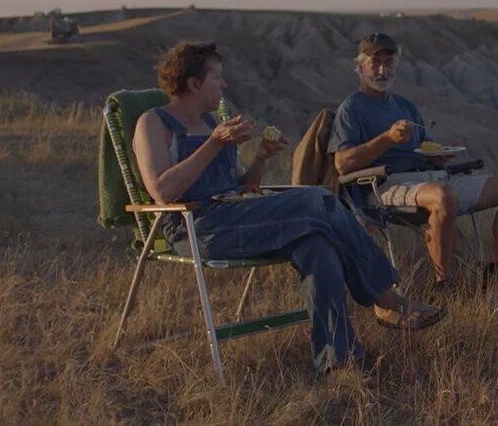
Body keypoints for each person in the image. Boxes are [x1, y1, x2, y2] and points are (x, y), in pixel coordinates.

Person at [132, 40, 444, 375]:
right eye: (217, 77)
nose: (224, 85)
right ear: (194, 84)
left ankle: (338, 363)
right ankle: (386, 298)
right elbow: (162, 191)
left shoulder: (211, 124)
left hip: (237, 217)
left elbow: (242, 187)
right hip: (198, 228)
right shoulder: (155, 124)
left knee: (318, 246)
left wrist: (261, 158)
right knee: (318, 198)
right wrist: (214, 144)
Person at [329, 33, 498, 299]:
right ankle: (444, 286)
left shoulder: (404, 105)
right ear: (360, 66)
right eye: (375, 62)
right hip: (386, 185)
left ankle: (495, 274)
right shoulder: (351, 108)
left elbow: (425, 146)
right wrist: (387, 139)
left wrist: (439, 155)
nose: (382, 70)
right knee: (443, 195)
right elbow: (342, 164)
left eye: (388, 62)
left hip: (431, 177)